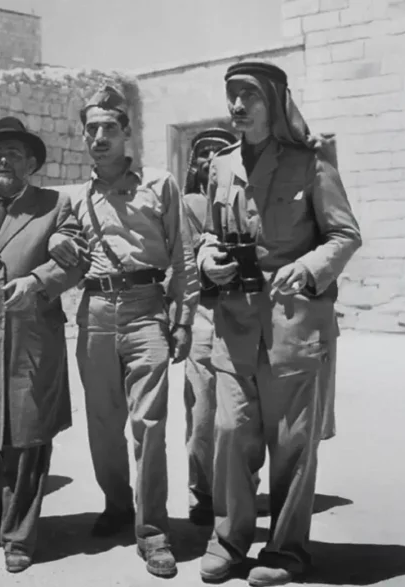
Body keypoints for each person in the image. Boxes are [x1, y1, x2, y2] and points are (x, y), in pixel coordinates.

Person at [196, 61, 361, 586]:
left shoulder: (310, 163)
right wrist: (206, 258)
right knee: (230, 433)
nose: (237, 105)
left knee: (291, 442)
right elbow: (209, 232)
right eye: (232, 95)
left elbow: (345, 235)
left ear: (273, 101)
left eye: (249, 95)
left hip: (293, 323)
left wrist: (308, 267)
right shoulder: (221, 165)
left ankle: (287, 550)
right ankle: (228, 540)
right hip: (234, 321)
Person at [47, 85, 200, 579]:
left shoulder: (159, 184)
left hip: (146, 310)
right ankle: (117, 504)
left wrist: (182, 319)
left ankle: (152, 530)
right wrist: (57, 239)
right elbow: (62, 242)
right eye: (91, 129)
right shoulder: (75, 197)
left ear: (126, 133)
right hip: (94, 313)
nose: (99, 137)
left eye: (109, 128)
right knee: (102, 422)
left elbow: (184, 256)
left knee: (149, 425)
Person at [0, 116, 84, 573]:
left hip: (31, 339)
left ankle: (19, 536)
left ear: (30, 164)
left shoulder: (55, 206)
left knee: (28, 436)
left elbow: (76, 261)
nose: (4, 160)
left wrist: (38, 281)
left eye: (14, 154)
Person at [180, 128, 238, 527]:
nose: (211, 157)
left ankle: (239, 488)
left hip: (243, 311)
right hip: (203, 310)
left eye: (220, 151)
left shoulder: (242, 198)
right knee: (202, 410)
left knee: (240, 412)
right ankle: (202, 490)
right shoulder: (187, 204)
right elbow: (180, 259)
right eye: (204, 152)